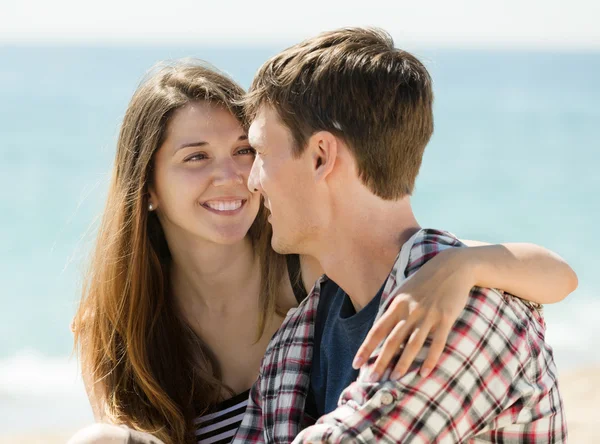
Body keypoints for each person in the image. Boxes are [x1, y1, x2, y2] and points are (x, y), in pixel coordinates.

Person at [70, 60, 576, 444]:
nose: (236, 177)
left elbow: (557, 276)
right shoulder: (119, 324)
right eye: (196, 157)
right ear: (148, 187)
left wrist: (465, 263)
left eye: (248, 151)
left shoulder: (314, 272)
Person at [233, 28, 571, 443]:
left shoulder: (460, 312)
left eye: (262, 154)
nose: (251, 182)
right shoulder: (297, 338)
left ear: (321, 156)